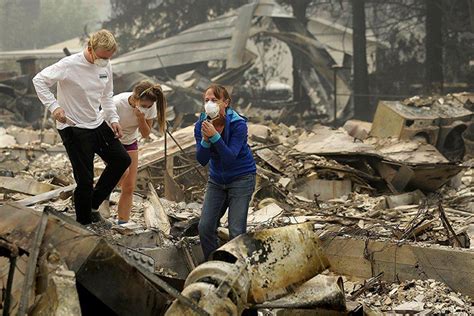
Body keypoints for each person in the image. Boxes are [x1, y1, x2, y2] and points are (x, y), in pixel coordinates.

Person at [32, 29, 131, 226]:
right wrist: (54, 106)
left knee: (121, 160)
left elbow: (107, 95)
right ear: (90, 49)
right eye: (102, 57)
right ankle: (84, 223)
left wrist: (113, 119)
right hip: (73, 126)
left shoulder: (105, 65)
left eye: (109, 57)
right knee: (85, 180)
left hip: (96, 122)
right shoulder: (69, 65)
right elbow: (39, 80)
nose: (105, 61)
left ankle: (92, 205)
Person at [194, 84, 256, 260]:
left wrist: (215, 137)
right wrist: (206, 140)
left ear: (226, 102)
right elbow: (202, 159)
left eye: (214, 100)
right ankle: (213, 264)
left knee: (236, 231)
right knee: (205, 227)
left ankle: (236, 269)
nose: (210, 104)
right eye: (206, 100)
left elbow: (230, 158)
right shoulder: (201, 124)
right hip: (216, 181)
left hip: (241, 178)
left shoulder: (238, 124)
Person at [113, 81, 166, 224]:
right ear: (135, 98)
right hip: (111, 140)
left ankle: (123, 222)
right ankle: (101, 198)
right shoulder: (118, 103)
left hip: (130, 141)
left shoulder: (150, 107)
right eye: (143, 105)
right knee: (119, 174)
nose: (146, 108)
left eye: (149, 106)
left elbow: (145, 133)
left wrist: (141, 117)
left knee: (129, 185)